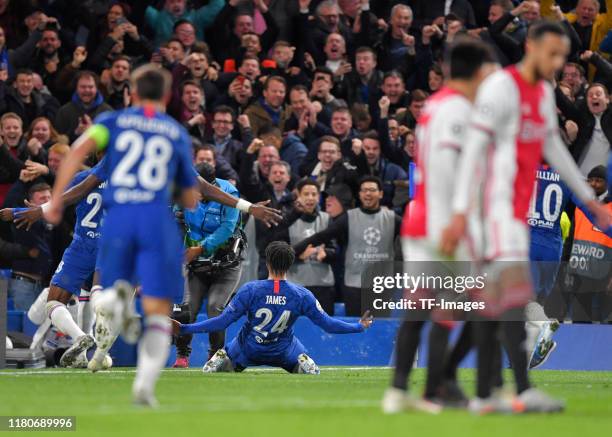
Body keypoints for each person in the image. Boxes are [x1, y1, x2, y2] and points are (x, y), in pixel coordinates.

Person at [441, 22, 611, 414]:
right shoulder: (502, 88)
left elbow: (554, 149)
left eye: (560, 56)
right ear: (531, 46)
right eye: (550, 53)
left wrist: (591, 202)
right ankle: (513, 388)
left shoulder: (539, 92)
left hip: (516, 216)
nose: (555, 62)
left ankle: (462, 381)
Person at [45, 64, 199, 407]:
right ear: (168, 95)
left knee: (104, 289)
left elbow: (75, 154)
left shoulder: (110, 124)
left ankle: (109, 302)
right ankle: (144, 388)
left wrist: (55, 200)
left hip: (119, 220)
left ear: (131, 92)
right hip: (155, 222)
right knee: (159, 311)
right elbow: (189, 198)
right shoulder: (174, 133)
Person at [382, 37, 497, 415]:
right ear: (479, 71)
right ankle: (437, 385)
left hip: (423, 217)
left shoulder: (434, 105)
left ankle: (402, 389)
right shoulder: (458, 110)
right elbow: (450, 167)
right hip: (444, 221)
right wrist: (460, 217)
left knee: (422, 305)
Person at [172, 241, 373, 374]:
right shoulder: (302, 295)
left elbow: (221, 322)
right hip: (284, 350)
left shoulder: (251, 290)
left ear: (267, 262)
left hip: (247, 349)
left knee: (232, 351)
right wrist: (359, 326)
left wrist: (185, 328)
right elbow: (328, 325)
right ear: (291, 263)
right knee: (304, 362)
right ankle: (302, 361)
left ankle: (226, 356)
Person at [293, 176, 401, 316]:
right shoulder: (349, 218)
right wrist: (292, 252)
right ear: (360, 194)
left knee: (379, 329)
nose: (368, 193)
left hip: (381, 286)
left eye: (372, 190)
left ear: (380, 193)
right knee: (354, 330)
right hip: (353, 285)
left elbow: (414, 240)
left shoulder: (393, 218)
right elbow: (321, 236)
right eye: (364, 190)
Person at [173, 163, 244, 368]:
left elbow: (228, 228)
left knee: (215, 307)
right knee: (188, 308)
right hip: (196, 265)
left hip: (225, 264)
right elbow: (176, 218)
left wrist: (201, 248)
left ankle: (215, 356)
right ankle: (182, 355)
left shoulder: (229, 193)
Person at [272, 179, 337, 314]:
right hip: (295, 286)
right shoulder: (287, 221)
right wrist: (300, 257)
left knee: (323, 331)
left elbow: (336, 250)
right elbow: (278, 256)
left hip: (323, 286)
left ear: (319, 197)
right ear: (298, 196)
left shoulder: (327, 219)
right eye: (306, 194)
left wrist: (326, 254)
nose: (310, 198)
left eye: (314, 194)